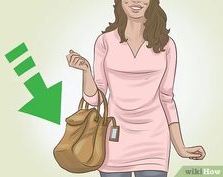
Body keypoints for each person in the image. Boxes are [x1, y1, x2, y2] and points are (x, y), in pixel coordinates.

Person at [66, 0, 206, 177]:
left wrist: (180, 147)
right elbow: (96, 99)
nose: (136, 1)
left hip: (154, 141)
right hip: (113, 139)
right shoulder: (105, 41)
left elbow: (167, 97)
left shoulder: (166, 44)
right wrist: (86, 71)